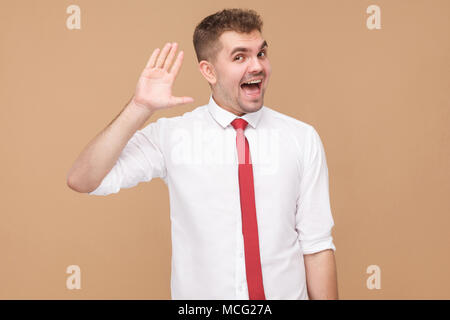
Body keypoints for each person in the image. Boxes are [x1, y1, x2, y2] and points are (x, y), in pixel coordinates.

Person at [67, 8, 338, 300]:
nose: (257, 66)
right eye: (239, 57)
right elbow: (84, 179)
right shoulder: (173, 137)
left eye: (261, 53)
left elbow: (317, 245)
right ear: (208, 71)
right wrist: (139, 107)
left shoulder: (301, 138)